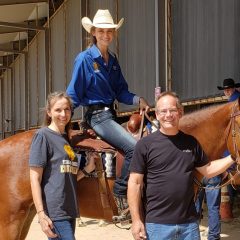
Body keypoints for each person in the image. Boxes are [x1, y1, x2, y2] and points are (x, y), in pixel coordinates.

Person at [66, 9, 150, 219]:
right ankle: (120, 192)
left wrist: (137, 99)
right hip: (97, 117)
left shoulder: (112, 60)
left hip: (111, 115)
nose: (106, 35)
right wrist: (62, 120)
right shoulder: (84, 59)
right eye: (102, 31)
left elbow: (121, 91)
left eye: (110, 31)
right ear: (93, 32)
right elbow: (74, 93)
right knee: (135, 147)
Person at [128, 91, 238, 240]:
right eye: (163, 111)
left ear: (180, 112)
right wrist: (136, 220)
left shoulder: (191, 143)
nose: (168, 115)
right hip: (158, 226)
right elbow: (134, 183)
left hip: (189, 226)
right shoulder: (145, 145)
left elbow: (208, 169)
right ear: (157, 114)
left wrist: (233, 157)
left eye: (172, 110)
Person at [29, 91, 96, 239]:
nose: (63, 114)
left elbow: (66, 176)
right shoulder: (43, 136)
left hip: (69, 209)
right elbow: (34, 178)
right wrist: (41, 214)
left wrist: (87, 170)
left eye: (67, 109)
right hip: (55, 211)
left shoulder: (66, 139)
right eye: (58, 110)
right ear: (49, 112)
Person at [195, 78, 240, 240]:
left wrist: (226, 166)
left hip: (211, 165)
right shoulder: (230, 105)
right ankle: (213, 236)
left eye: (230, 89)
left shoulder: (233, 107)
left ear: (234, 89)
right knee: (212, 206)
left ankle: (196, 233)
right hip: (213, 167)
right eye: (225, 89)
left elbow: (228, 142)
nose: (227, 91)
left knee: (197, 203)